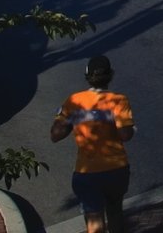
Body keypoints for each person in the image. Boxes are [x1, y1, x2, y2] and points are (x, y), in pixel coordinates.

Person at [48, 55, 134, 232]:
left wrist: (72, 121)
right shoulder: (119, 100)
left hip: (87, 172)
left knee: (94, 218)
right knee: (115, 212)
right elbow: (125, 135)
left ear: (87, 76)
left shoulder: (73, 101)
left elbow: (55, 135)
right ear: (110, 75)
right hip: (117, 170)